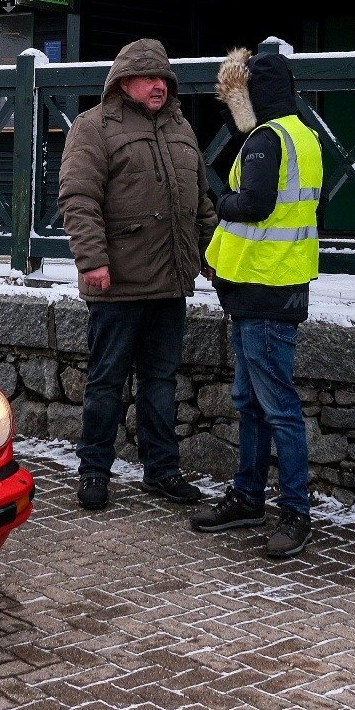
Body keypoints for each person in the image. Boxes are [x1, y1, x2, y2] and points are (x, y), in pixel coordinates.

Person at [58, 38, 217, 512]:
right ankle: (93, 471)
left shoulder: (182, 130)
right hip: (117, 283)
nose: (158, 87)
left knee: (161, 381)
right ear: (124, 81)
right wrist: (93, 261)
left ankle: (162, 471)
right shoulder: (93, 128)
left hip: (170, 281)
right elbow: (78, 199)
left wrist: (213, 257)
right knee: (106, 381)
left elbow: (201, 204)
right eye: (148, 78)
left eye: (163, 79)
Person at [191, 48, 322, 559]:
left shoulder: (268, 139)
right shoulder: (303, 134)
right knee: (253, 403)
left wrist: (219, 201)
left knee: (276, 408)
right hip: (273, 285)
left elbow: (255, 204)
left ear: (254, 91)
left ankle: (294, 511)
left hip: (264, 289)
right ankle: (248, 497)